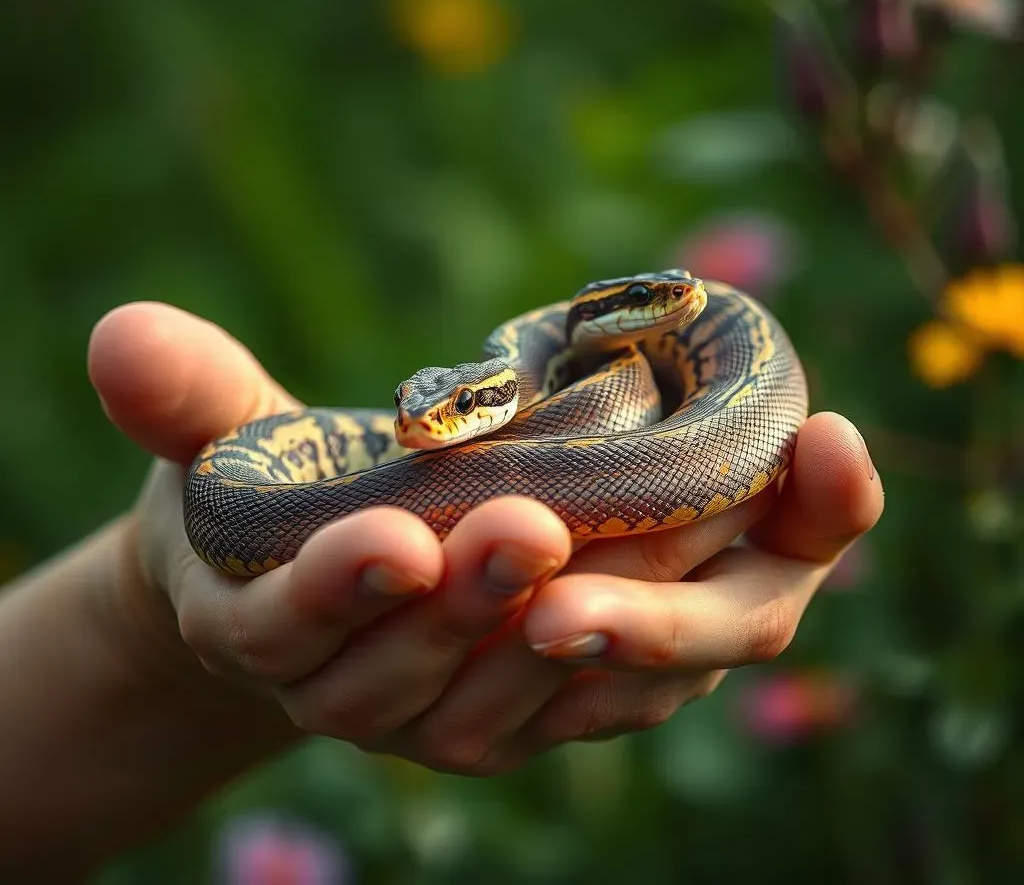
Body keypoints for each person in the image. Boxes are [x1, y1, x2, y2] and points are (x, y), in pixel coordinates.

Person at [0, 301, 883, 882]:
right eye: (419, 410)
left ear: (505, 394)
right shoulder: (491, 398)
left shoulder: (574, 372)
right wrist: (144, 615)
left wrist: (148, 630)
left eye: (458, 412)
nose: (426, 426)